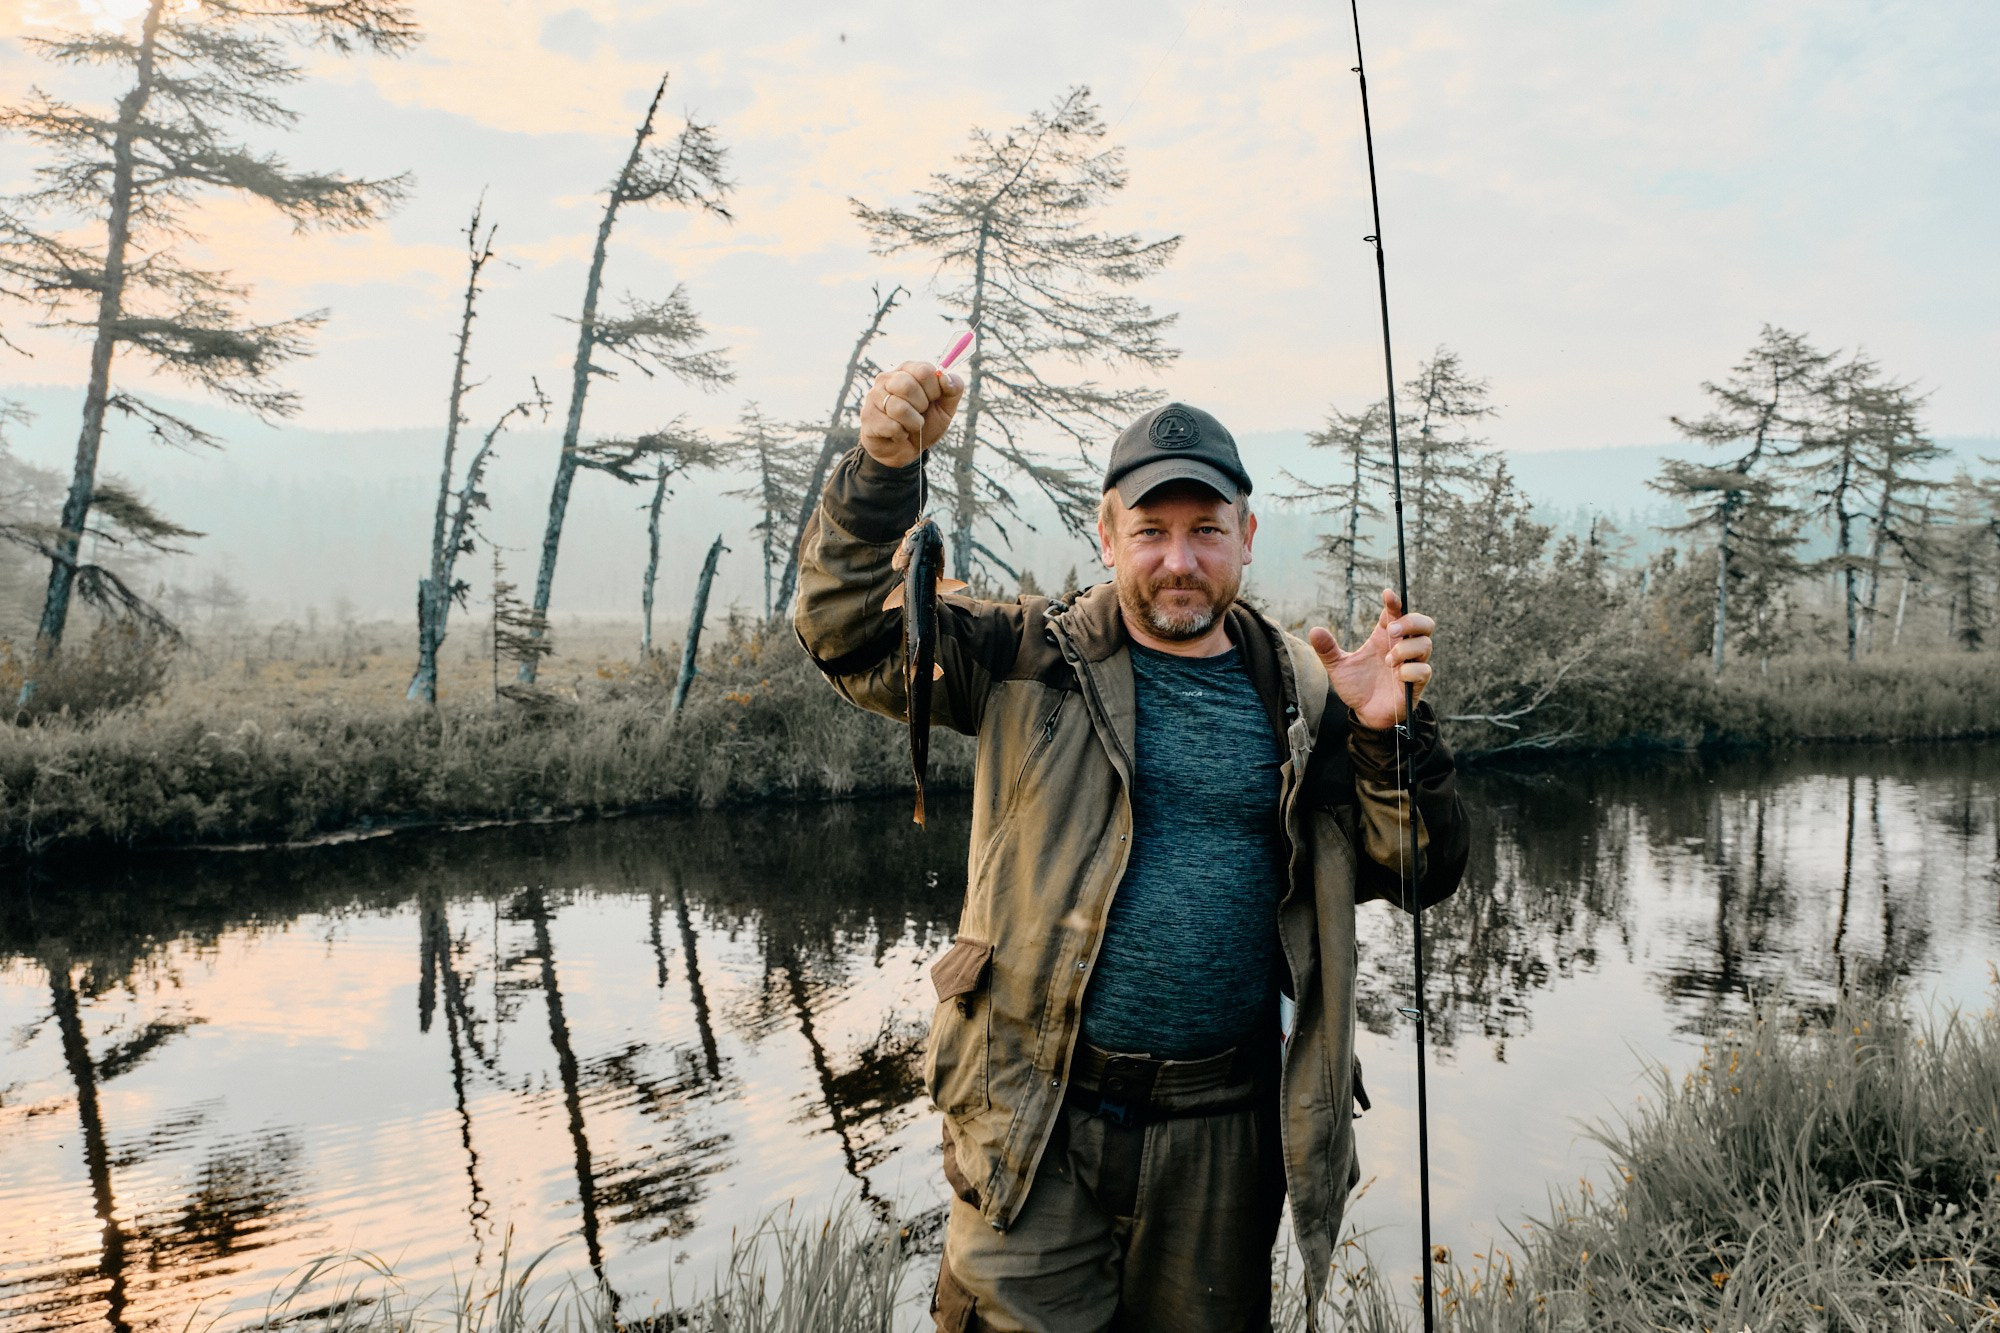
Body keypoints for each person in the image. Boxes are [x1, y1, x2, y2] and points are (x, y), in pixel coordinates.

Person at [793, 360, 1470, 1333]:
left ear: (1245, 534)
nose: (1177, 559)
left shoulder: (1304, 696)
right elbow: (848, 634)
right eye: (1150, 531)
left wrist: (1388, 732)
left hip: (1220, 1142)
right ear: (1106, 534)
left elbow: (1417, 872)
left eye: (1203, 530)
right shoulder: (1021, 654)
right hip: (1034, 1121)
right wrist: (882, 469)